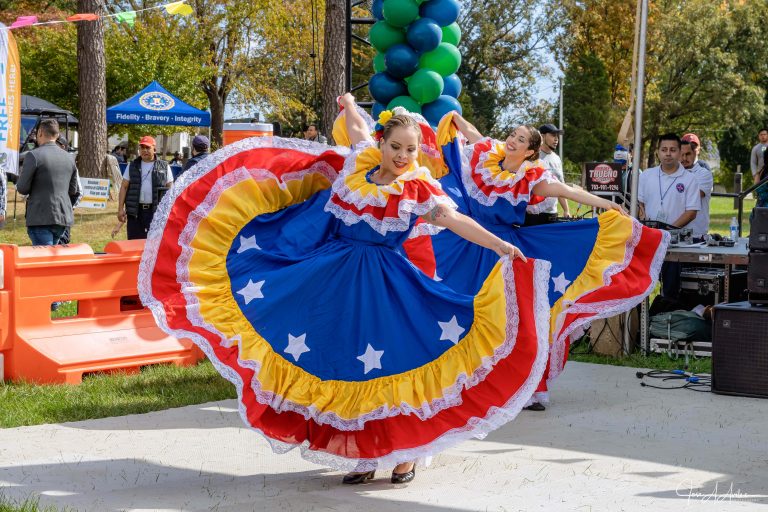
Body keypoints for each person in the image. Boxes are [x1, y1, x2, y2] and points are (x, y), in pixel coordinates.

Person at [138, 93, 549, 486]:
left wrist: (499, 244)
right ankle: (366, 453)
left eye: (411, 149)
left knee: (394, 364)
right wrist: (350, 104)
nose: (403, 156)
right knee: (347, 364)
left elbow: (454, 220)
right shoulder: (359, 168)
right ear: (383, 142)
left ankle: (404, 451)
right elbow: (356, 130)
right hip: (336, 279)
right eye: (397, 147)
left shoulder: (415, 189)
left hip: (385, 286)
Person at [402, 112, 669, 412]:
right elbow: (472, 131)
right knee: (458, 313)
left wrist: (606, 203)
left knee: (518, 319)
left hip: (504, 251)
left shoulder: (530, 178)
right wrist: (454, 118)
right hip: (467, 243)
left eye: (519, 139)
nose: (511, 141)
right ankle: (456, 383)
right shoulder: (486, 157)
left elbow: (568, 191)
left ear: (531, 150)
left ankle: (525, 387)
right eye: (512, 135)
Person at [638, 133, 699, 299]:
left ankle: (665, 320)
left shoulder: (689, 179)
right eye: (664, 149)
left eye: (672, 150)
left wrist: (667, 231)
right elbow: (640, 203)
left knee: (670, 290)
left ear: (679, 152)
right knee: (640, 289)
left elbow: (691, 211)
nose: (668, 153)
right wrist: (643, 217)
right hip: (649, 239)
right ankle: (642, 321)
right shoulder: (646, 176)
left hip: (674, 242)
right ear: (658, 152)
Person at [15, 119, 80, 246]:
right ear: (56, 135)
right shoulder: (69, 157)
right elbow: (73, 190)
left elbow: (22, 188)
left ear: (40, 133)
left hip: (40, 216)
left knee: (44, 261)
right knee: (52, 258)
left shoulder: (33, 155)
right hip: (62, 217)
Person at [117, 136, 174, 240]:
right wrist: (120, 209)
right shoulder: (132, 165)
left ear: (154, 149)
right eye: (142, 148)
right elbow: (124, 187)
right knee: (134, 243)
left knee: (153, 244)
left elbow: (170, 190)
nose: (144, 150)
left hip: (156, 212)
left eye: (147, 148)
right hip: (135, 213)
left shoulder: (164, 166)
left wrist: (168, 211)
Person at [526, 124, 569, 224]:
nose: (556, 139)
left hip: (552, 214)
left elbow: (561, 186)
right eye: (553, 135)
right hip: (532, 213)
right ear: (542, 136)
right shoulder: (531, 155)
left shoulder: (557, 159)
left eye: (557, 136)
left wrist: (566, 210)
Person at [680, 139, 713, 238]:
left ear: (695, 153)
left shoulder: (704, 174)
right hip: (673, 233)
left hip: (696, 235)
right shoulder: (671, 174)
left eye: (688, 154)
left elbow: (694, 197)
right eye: (681, 154)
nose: (684, 158)